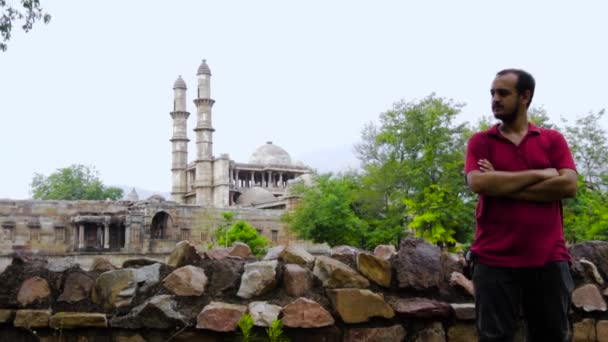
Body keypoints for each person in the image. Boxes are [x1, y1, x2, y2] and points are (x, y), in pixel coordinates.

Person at [465, 69, 577, 342]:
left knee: (551, 336)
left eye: (503, 93)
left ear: (525, 97)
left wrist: (501, 183)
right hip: (493, 261)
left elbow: (568, 186)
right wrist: (542, 174)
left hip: (549, 260)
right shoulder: (481, 142)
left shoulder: (552, 140)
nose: (495, 99)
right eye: (492, 93)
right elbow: (479, 184)